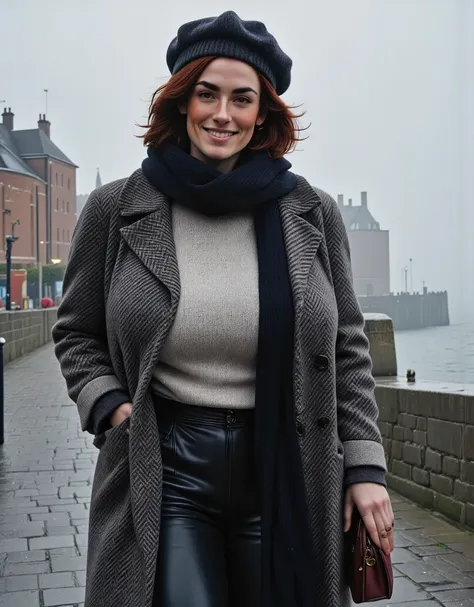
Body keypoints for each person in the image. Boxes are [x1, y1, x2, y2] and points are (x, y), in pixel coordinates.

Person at [53, 10, 394, 607]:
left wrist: (364, 466)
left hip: (285, 465)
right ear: (182, 101)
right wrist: (111, 408)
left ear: (262, 112)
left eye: (242, 99)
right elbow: (76, 332)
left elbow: (347, 346)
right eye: (206, 94)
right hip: (168, 467)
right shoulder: (117, 209)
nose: (222, 114)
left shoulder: (310, 213)